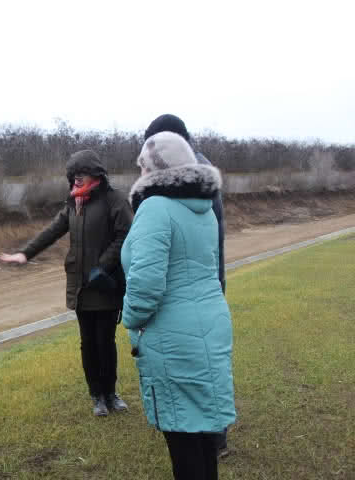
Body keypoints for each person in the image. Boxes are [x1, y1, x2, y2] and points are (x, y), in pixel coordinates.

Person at [122, 132, 236, 480]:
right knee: (201, 434)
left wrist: (131, 320)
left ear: (157, 168)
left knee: (183, 439)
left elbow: (146, 283)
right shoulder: (202, 208)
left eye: (143, 166)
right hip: (207, 326)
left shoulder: (155, 207)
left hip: (174, 336)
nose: (140, 173)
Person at [0, 150, 133, 416]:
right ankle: (96, 396)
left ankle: (111, 393)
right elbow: (52, 231)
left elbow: (126, 235)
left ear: (96, 174)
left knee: (105, 342)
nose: (76, 179)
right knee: (88, 343)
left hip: (105, 284)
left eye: (81, 174)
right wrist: (25, 253)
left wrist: (102, 265)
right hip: (81, 286)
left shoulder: (115, 200)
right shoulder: (74, 202)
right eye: (73, 175)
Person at [144, 114, 230, 456]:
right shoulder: (200, 172)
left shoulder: (188, 177)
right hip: (208, 284)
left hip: (193, 285)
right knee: (207, 363)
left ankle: (211, 438)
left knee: (197, 366)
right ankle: (211, 437)